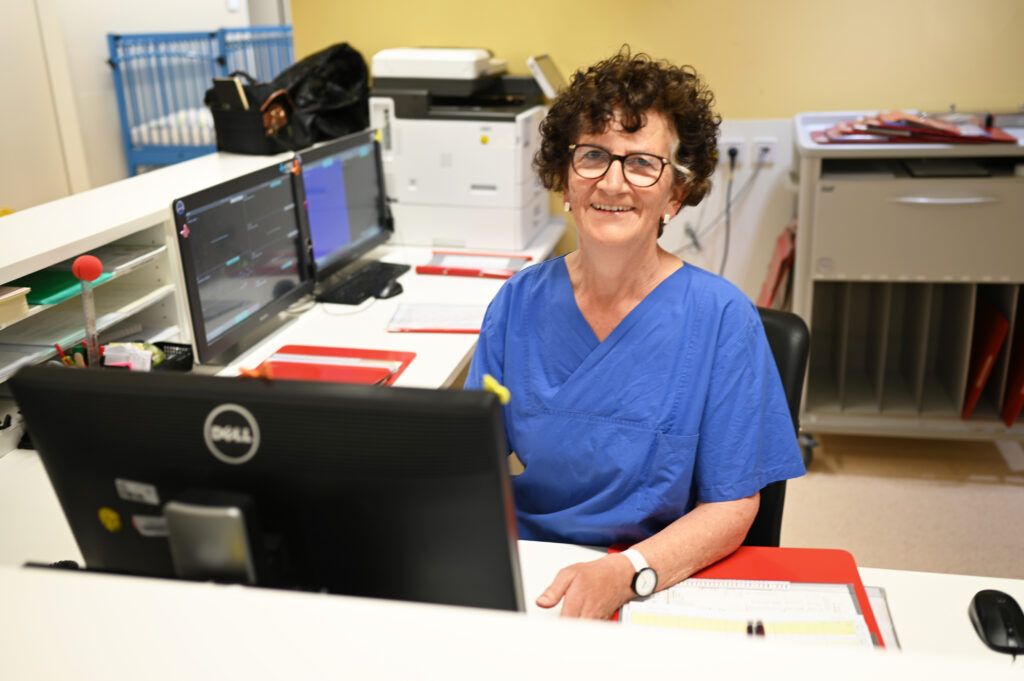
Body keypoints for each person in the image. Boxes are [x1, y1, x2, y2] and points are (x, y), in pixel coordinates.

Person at [466, 48, 805, 619]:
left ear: (675, 194)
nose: (613, 182)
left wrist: (628, 573)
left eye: (642, 163)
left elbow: (733, 506)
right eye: (593, 156)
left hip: (655, 576)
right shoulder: (518, 303)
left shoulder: (722, 319)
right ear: (565, 180)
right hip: (531, 569)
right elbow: (473, 459)